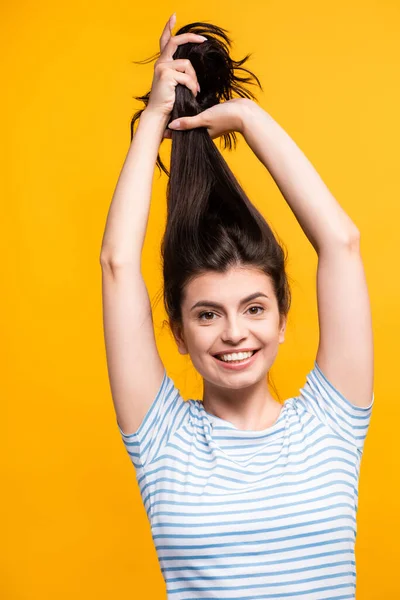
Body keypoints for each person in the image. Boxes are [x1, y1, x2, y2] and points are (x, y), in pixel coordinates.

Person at [100, 13, 374, 600]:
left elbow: (341, 244)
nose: (233, 333)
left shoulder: (333, 425)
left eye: (253, 309)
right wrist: (154, 118)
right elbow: (118, 264)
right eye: (207, 314)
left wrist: (249, 120)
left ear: (281, 319)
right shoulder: (162, 440)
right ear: (177, 331)